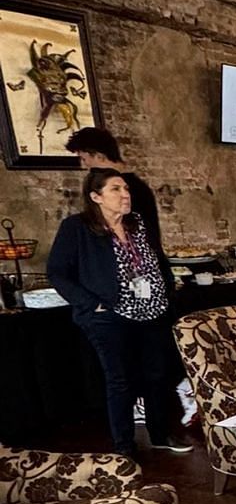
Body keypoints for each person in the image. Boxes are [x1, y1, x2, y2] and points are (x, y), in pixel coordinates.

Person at [47, 168, 195, 457]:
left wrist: (167, 292)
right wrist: (91, 304)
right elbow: (57, 272)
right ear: (95, 196)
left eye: (126, 189)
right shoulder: (77, 227)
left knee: (157, 375)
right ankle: (124, 446)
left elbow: (158, 260)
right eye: (116, 189)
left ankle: (160, 433)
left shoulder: (138, 222)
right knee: (121, 380)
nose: (125, 195)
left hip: (152, 312)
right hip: (110, 316)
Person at [66, 126, 197, 427]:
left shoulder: (131, 200)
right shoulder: (79, 224)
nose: (82, 164)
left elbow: (149, 248)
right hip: (115, 307)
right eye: (117, 190)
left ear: (97, 155)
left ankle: (161, 416)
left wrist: (160, 289)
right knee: (128, 373)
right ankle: (132, 434)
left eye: (84, 157)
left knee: (148, 368)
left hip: (142, 302)